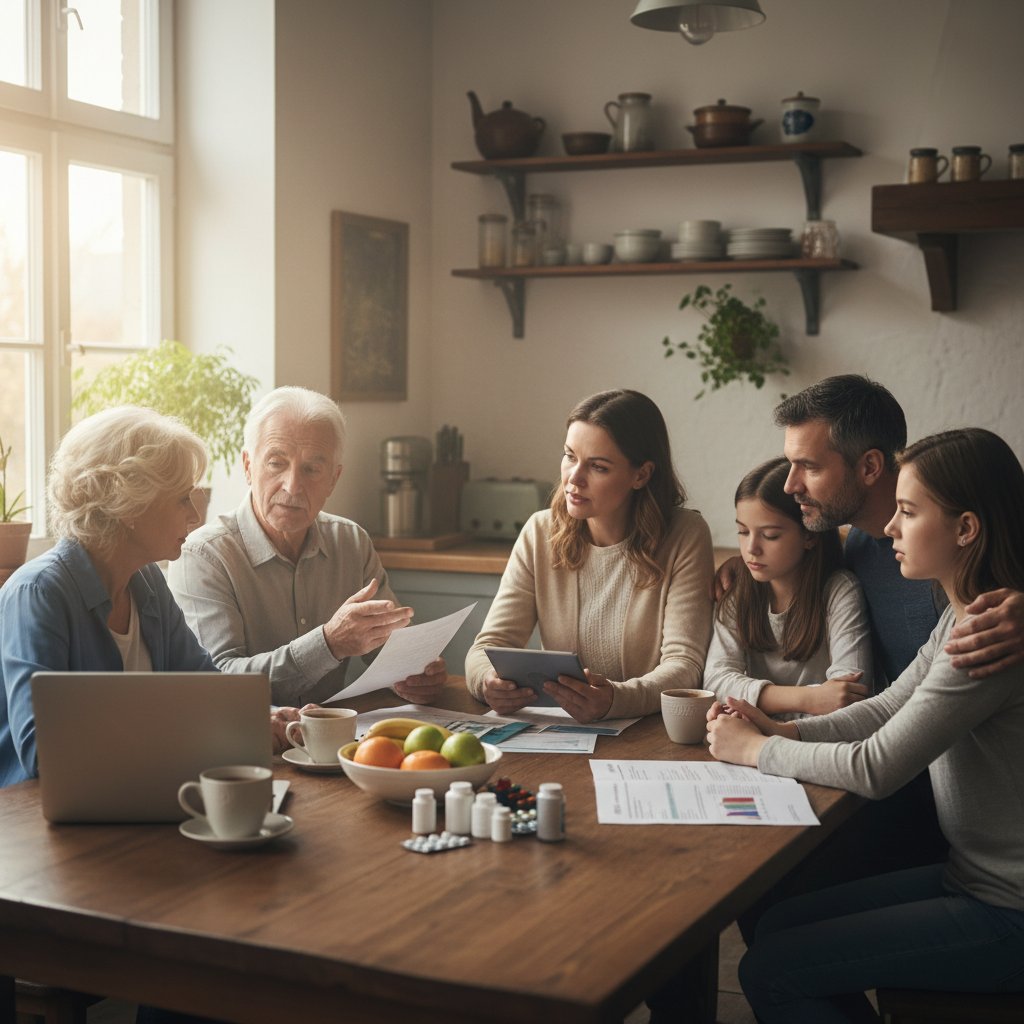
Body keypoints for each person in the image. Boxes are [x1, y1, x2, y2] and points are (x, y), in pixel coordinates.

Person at [708, 428, 1024, 1022]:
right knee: (778, 923)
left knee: (770, 969)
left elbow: (875, 768)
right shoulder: (960, 613)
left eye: (908, 512)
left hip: (1008, 911)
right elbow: (885, 707)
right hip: (972, 879)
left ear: (966, 529)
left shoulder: (984, 639)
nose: (889, 529)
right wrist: (782, 732)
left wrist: (754, 751)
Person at [167, 386, 446, 708]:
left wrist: (414, 673)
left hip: (335, 738)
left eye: (312, 469)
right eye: (276, 463)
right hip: (248, 742)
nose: (292, 486)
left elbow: (386, 648)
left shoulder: (351, 542)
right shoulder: (203, 555)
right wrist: (328, 644)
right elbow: (222, 683)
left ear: (333, 479)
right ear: (247, 466)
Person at [464, 388, 714, 722]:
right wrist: (487, 681)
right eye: (570, 456)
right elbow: (488, 646)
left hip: (650, 733)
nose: (573, 479)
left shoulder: (685, 535)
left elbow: (686, 667)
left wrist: (615, 700)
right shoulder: (540, 532)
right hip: (563, 733)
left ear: (641, 474)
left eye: (597, 466)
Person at [1, 408, 213, 787]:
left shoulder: (146, 580)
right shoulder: (37, 592)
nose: (195, 516)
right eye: (183, 498)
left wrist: (272, 716)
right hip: (40, 825)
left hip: (137, 794)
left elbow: (208, 688)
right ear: (131, 502)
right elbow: (42, 753)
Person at [704, 456, 873, 719]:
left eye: (770, 535)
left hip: (818, 744)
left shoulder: (838, 590)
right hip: (754, 736)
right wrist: (808, 699)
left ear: (809, 535)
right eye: (743, 531)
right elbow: (715, 681)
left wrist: (754, 707)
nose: (751, 549)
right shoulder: (739, 589)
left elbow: (849, 693)